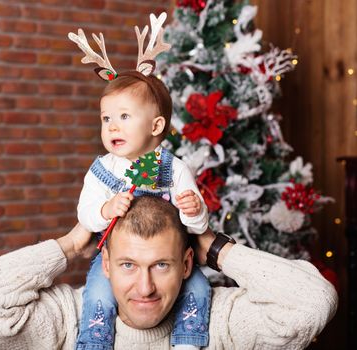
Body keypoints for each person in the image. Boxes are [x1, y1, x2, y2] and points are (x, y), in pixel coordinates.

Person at [0, 196, 338, 350]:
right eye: (128, 265)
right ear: (105, 265)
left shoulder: (219, 320)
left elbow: (312, 303)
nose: (145, 287)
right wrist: (69, 245)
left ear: (187, 264)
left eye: (162, 265)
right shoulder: (71, 321)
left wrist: (219, 250)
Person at [72, 13, 211, 350]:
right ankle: (93, 343)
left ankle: (188, 341)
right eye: (106, 118)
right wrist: (105, 209)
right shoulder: (103, 170)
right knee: (98, 295)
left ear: (155, 126)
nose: (112, 127)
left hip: (171, 259)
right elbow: (85, 213)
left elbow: (197, 225)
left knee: (198, 290)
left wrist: (193, 210)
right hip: (119, 262)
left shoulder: (172, 167)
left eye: (123, 117)